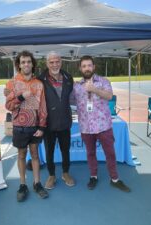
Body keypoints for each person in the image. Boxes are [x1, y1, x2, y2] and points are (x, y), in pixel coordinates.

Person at [71, 55, 130, 192]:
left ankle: (115, 179)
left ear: (94, 67)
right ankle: (93, 176)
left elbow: (109, 96)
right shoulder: (76, 86)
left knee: (110, 153)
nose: (87, 68)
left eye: (89, 65)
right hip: (86, 127)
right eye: (84, 66)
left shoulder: (103, 81)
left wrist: (94, 89)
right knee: (90, 153)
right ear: (80, 68)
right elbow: (69, 101)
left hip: (103, 126)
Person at [5, 50, 49, 202]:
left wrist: (42, 126)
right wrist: (20, 97)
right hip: (19, 127)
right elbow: (8, 105)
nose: (26, 64)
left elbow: (43, 106)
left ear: (32, 64)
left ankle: (37, 183)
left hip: (35, 127)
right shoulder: (12, 83)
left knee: (35, 155)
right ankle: (22, 185)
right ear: (19, 65)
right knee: (22, 155)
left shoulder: (39, 84)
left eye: (28, 61)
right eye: (23, 62)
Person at [38, 51, 75, 190]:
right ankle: (51, 175)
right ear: (47, 64)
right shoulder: (40, 79)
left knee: (66, 150)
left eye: (57, 61)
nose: (55, 64)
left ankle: (65, 173)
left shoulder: (68, 77)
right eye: (51, 62)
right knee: (49, 151)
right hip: (48, 124)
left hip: (65, 122)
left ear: (61, 62)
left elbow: (72, 97)